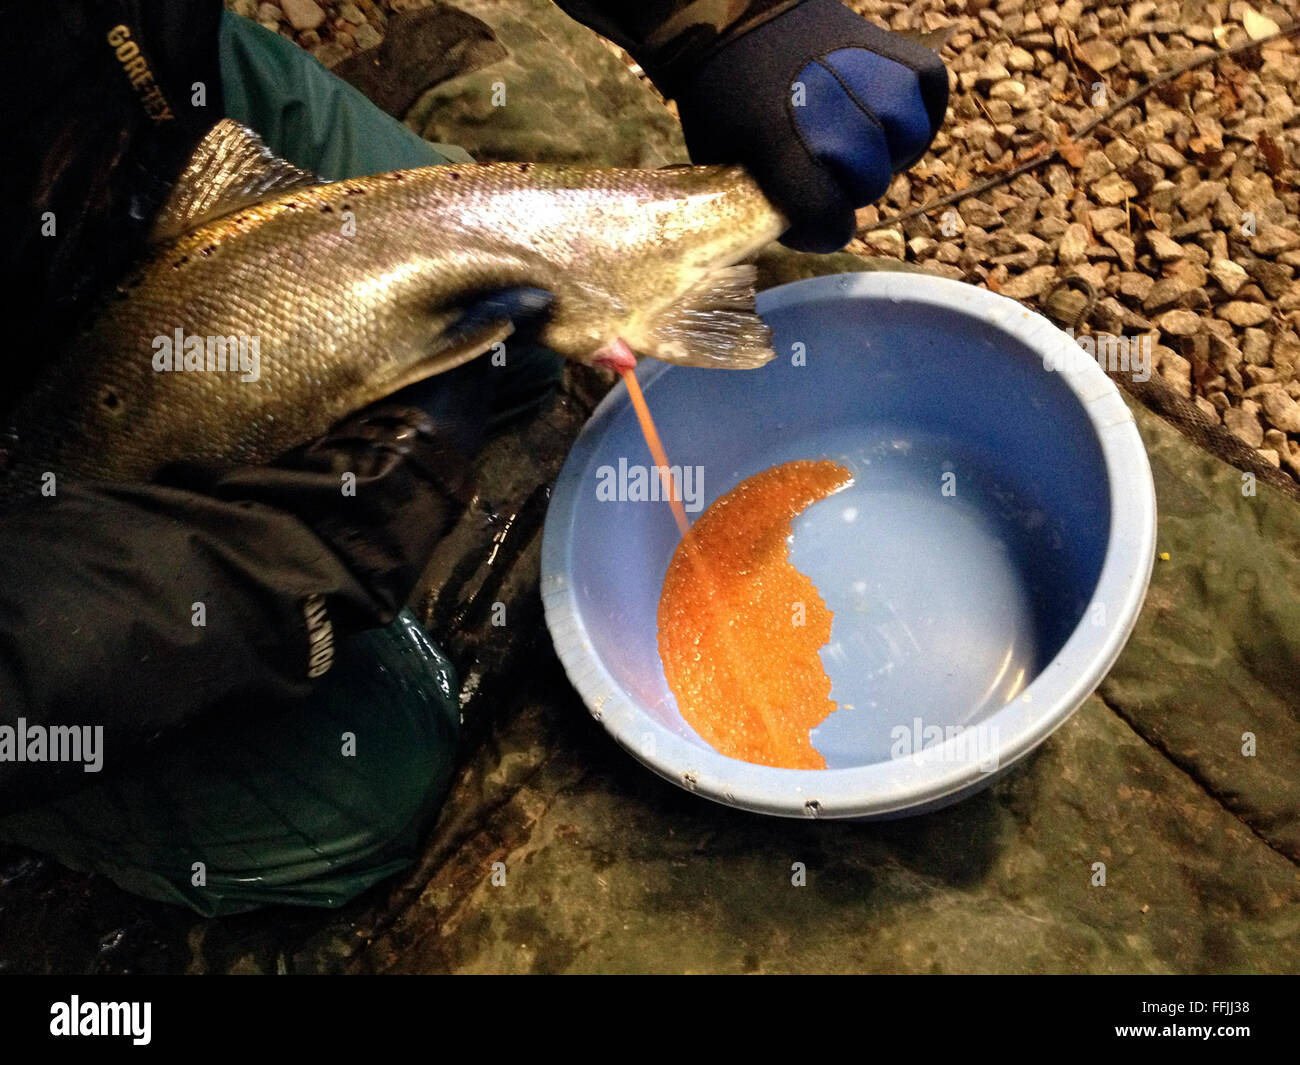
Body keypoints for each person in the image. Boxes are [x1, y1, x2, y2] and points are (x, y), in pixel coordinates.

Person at [0, 0, 946, 911]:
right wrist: (278, 573)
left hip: (132, 81)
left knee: (522, 364)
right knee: (369, 784)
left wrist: (733, 21)